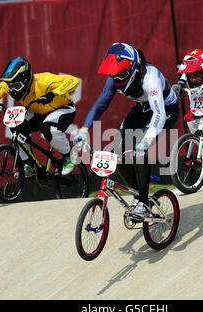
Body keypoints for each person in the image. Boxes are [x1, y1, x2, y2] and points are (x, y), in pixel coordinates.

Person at [74, 42, 178, 221]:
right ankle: (139, 195)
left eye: (121, 74)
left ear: (135, 69)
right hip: (143, 108)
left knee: (139, 150)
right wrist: (84, 129)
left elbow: (159, 114)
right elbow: (101, 102)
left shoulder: (150, 78)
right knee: (116, 153)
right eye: (114, 75)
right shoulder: (115, 77)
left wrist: (146, 141)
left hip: (165, 110)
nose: (117, 80)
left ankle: (144, 203)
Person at [0, 57, 80, 176]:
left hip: (62, 109)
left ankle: (69, 156)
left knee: (48, 129)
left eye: (16, 86)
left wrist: (53, 93)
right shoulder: (12, 85)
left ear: (26, 80)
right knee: (16, 126)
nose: (13, 90)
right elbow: (4, 85)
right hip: (37, 111)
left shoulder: (43, 81)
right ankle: (27, 164)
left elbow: (73, 80)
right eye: (11, 86)